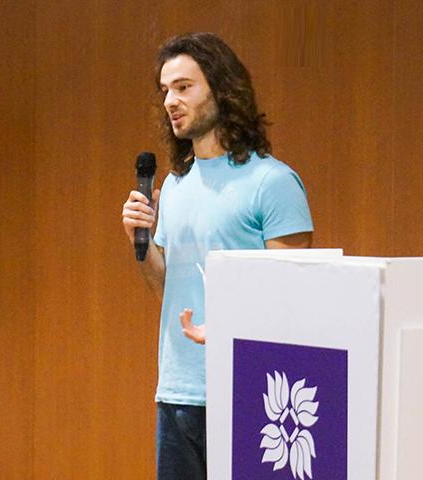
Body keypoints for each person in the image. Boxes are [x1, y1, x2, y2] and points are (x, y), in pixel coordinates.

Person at [121, 32, 314, 479]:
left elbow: (298, 298)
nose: (170, 100)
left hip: (251, 392)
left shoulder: (273, 182)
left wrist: (232, 324)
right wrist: (142, 242)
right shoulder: (173, 185)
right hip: (177, 390)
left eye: (184, 87)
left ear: (223, 91)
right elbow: (165, 288)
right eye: (165, 90)